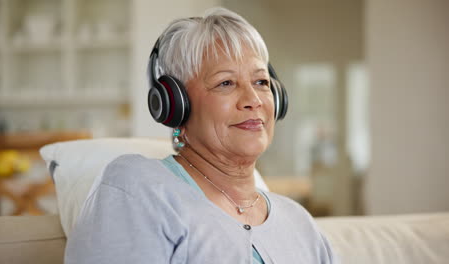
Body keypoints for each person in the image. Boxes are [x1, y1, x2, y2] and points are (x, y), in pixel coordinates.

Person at [65, 7, 337, 264]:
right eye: (226, 83)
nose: (253, 99)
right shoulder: (137, 188)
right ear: (175, 104)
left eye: (261, 82)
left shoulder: (300, 223)